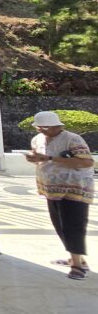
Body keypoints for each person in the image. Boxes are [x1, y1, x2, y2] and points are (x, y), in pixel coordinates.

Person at [25, 111, 95, 279]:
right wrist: (34, 158)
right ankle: (76, 258)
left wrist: (50, 158)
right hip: (51, 188)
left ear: (57, 126)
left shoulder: (72, 139)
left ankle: (78, 266)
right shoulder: (38, 139)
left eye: (45, 127)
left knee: (74, 225)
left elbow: (86, 162)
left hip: (74, 188)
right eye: (39, 127)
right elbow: (39, 156)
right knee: (60, 225)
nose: (42, 130)